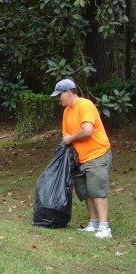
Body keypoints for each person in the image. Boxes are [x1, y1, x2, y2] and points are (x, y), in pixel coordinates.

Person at [51, 79, 112, 238]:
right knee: (86, 192)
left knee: (97, 191)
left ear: (69, 93)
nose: (59, 98)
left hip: (96, 154)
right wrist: (68, 140)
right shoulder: (66, 112)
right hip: (79, 158)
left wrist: (70, 138)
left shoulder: (85, 105)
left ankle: (104, 227)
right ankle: (94, 223)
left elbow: (87, 131)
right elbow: (66, 136)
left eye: (60, 95)